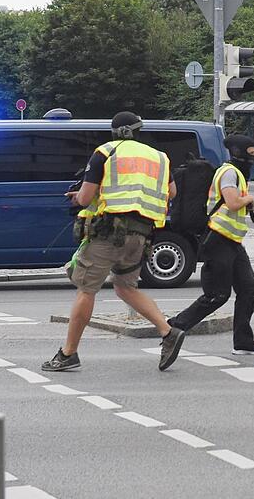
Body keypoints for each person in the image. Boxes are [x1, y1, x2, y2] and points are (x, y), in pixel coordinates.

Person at [42, 112, 185, 372]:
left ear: (119, 132)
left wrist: (78, 197)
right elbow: (171, 192)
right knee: (125, 288)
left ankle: (68, 353)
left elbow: (85, 199)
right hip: (141, 235)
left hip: (109, 234)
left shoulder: (105, 152)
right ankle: (168, 331)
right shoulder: (160, 157)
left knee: (87, 289)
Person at [169, 135, 254, 355]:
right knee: (217, 296)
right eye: (251, 152)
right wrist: (248, 200)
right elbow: (232, 202)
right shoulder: (228, 172)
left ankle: (243, 342)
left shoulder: (237, 173)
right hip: (218, 239)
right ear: (238, 152)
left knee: (248, 291)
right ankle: (175, 326)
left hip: (233, 242)